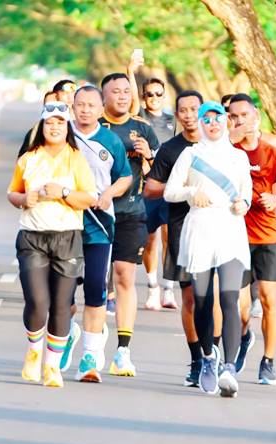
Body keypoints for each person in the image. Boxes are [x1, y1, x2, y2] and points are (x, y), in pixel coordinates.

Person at [164, 101, 252, 397]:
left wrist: (244, 204)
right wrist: (190, 192)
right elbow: (169, 191)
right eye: (207, 119)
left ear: (226, 122)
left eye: (217, 119)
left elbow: (247, 193)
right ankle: (207, 358)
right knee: (202, 300)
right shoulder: (190, 154)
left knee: (229, 299)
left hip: (229, 228)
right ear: (200, 123)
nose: (213, 124)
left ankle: (228, 367)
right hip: (199, 228)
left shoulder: (238, 157)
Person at [7, 102, 97, 388]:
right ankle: (34, 349)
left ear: (67, 127)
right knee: (37, 301)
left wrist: (65, 192)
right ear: (41, 127)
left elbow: (90, 198)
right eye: (49, 123)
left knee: (61, 304)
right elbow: (13, 192)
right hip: (32, 235)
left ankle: (51, 366)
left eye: (60, 122)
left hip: (67, 236)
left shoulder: (76, 158)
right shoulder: (28, 159)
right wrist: (24, 199)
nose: (55, 127)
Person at [227, 93, 276, 386]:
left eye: (244, 115)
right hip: (234, 234)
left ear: (256, 116)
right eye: (233, 116)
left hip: (267, 234)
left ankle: (268, 362)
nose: (240, 120)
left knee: (270, 300)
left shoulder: (271, 149)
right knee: (241, 308)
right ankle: (244, 336)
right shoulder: (226, 149)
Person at [69, 85, 133, 382]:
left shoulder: (109, 140)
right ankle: (66, 333)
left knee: (95, 289)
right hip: (64, 223)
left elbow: (125, 176)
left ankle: (89, 358)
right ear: (73, 106)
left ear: (100, 107)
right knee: (63, 294)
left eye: (91, 105)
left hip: (99, 223)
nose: (85, 110)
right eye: (80, 104)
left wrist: (108, 193)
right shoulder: (62, 135)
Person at [99, 72, 160, 377]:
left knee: (124, 275)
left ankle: (123, 350)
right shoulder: (93, 128)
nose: (122, 96)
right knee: (95, 280)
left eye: (126, 91)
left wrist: (148, 156)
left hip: (132, 212)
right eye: (115, 91)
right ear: (104, 97)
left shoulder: (143, 130)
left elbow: (157, 177)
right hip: (94, 213)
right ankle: (92, 337)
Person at [143, 90, 205, 386]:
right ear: (177, 115)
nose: (189, 114)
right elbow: (150, 189)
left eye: (195, 109)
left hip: (216, 232)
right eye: (184, 110)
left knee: (216, 298)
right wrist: (180, 185)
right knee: (190, 299)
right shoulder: (170, 149)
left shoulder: (218, 146)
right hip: (182, 229)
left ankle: (215, 353)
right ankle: (196, 359)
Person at [136, 77, 177, 310]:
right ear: (143, 96)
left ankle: (169, 288)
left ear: (164, 95)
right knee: (150, 240)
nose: (154, 98)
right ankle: (152, 287)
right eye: (149, 94)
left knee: (169, 237)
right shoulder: (139, 119)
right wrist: (131, 71)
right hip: (146, 186)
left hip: (169, 187)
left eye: (158, 94)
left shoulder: (173, 122)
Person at [17, 90, 58, 158]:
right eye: (49, 106)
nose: (53, 110)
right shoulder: (34, 133)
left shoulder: (75, 130)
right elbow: (21, 162)